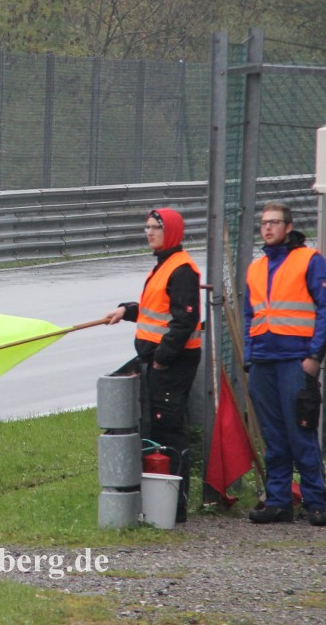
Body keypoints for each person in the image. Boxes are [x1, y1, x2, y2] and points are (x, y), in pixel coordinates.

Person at [242, 202, 326, 527]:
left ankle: (315, 502)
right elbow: (249, 315)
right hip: (263, 362)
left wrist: (314, 356)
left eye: (274, 222)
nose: (268, 228)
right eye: (264, 223)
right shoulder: (256, 268)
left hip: (295, 361)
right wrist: (249, 355)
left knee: (301, 433)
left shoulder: (309, 260)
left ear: (288, 226)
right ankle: (279, 501)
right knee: (274, 438)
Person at [105, 207, 202, 523]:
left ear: (170, 231)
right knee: (156, 429)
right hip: (157, 362)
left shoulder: (182, 270)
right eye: (147, 227)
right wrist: (127, 310)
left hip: (171, 365)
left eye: (155, 228)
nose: (149, 233)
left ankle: (174, 509)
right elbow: (155, 310)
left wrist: (161, 359)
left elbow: (184, 321)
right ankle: (155, 503)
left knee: (169, 431)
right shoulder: (163, 265)